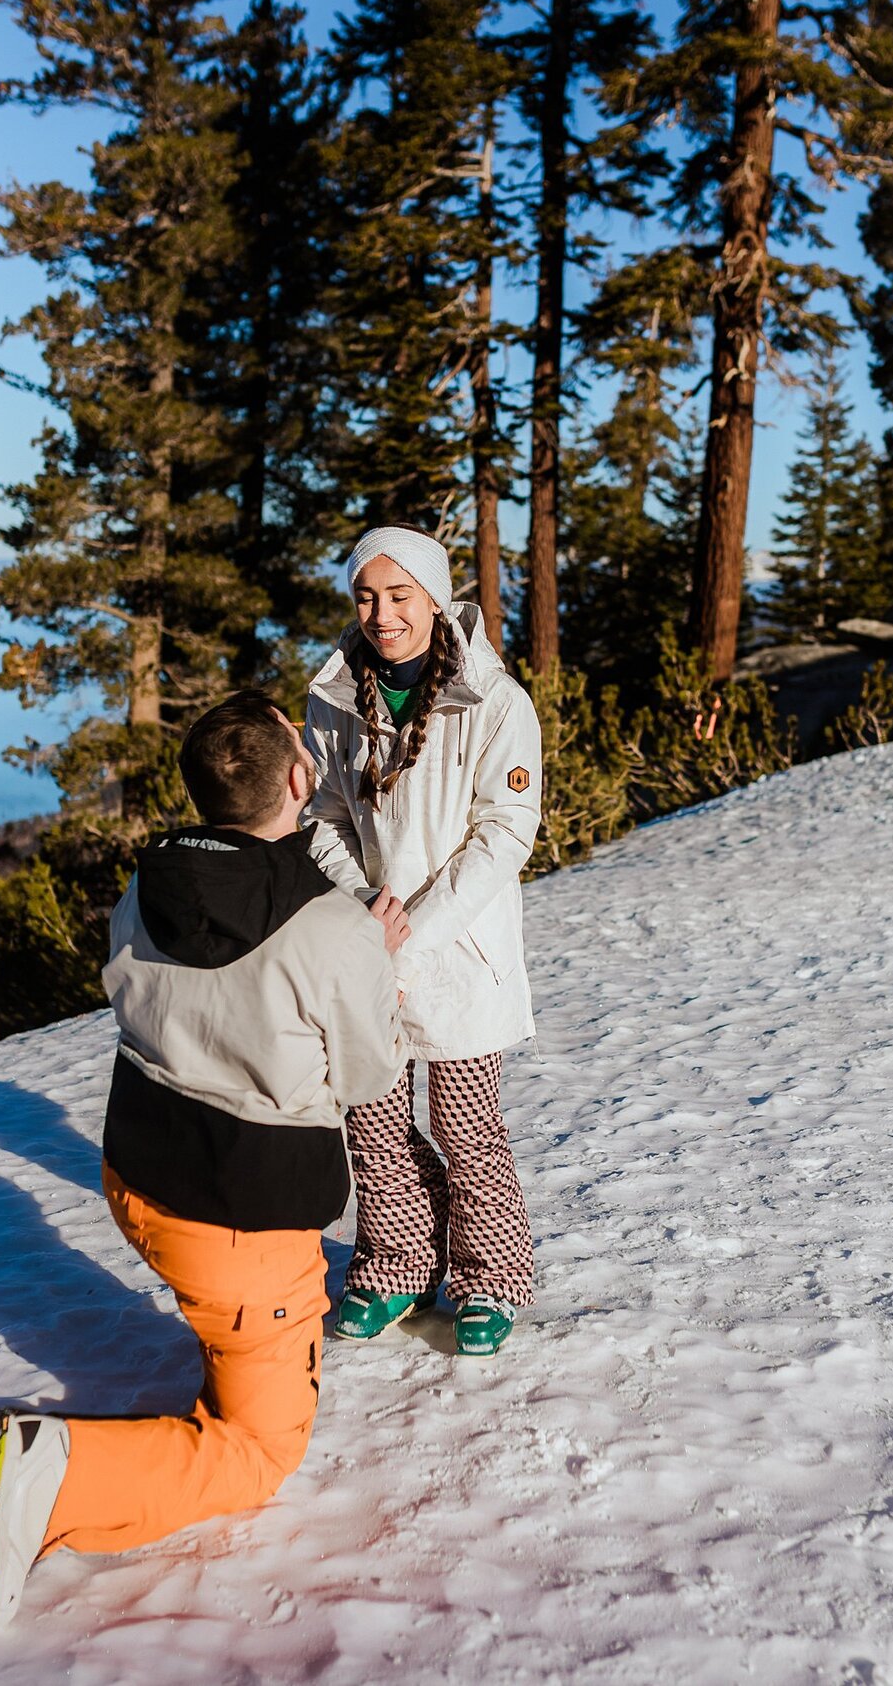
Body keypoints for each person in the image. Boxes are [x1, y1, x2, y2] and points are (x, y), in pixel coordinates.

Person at [0, 691, 409, 1635]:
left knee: (227, 1324)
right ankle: (55, 1470)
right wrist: (374, 957)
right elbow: (369, 1073)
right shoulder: (333, 931)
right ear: (297, 777)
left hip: (137, 1179)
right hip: (239, 1226)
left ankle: (224, 1347)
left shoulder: (145, 887)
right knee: (257, 1452)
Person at [303, 524, 542, 1358]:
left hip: (459, 950)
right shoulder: (333, 697)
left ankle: (490, 1276)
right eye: (367, 596)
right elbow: (320, 818)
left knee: (467, 1124)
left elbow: (506, 834)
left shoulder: (494, 702)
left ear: (435, 600)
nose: (382, 614)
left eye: (399, 596)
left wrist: (419, 926)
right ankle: (399, 1259)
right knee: (370, 1117)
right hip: (363, 942)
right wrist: (363, 901)